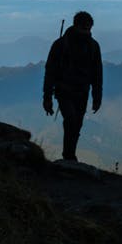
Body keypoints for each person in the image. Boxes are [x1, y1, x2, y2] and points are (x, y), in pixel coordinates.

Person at [43, 11, 103, 162]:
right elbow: (50, 72)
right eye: (84, 28)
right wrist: (47, 98)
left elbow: (97, 74)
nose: (87, 32)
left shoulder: (93, 47)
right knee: (71, 120)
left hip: (82, 93)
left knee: (77, 125)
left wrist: (97, 97)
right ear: (76, 26)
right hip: (64, 91)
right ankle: (68, 156)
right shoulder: (61, 45)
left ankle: (69, 155)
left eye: (89, 29)